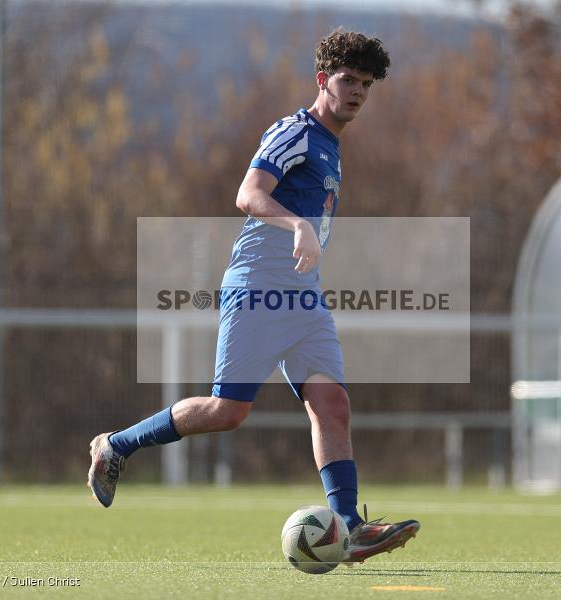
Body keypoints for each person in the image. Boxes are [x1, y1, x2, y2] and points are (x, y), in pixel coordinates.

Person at [88, 29, 419, 562]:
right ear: (322, 81)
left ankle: (352, 528)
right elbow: (248, 194)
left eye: (366, 83)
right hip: (260, 290)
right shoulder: (294, 131)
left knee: (332, 405)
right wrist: (296, 226)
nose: (357, 91)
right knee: (227, 411)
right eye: (347, 80)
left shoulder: (331, 148)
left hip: (303, 297)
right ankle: (115, 446)